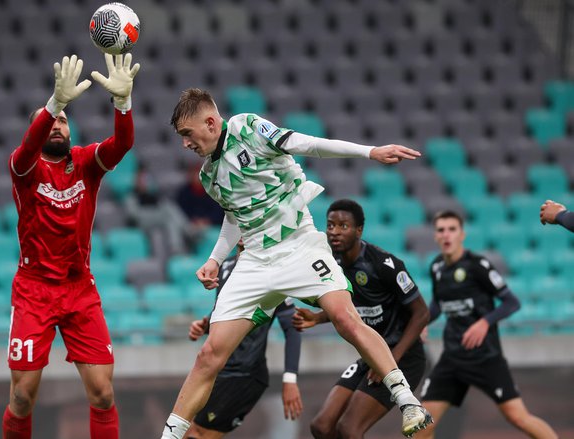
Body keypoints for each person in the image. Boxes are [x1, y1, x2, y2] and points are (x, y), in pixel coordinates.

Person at [160, 88, 432, 439]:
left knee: (345, 318)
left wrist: (369, 151)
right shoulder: (208, 176)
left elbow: (307, 143)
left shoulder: (249, 128)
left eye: (187, 134)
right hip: (256, 260)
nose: (185, 144)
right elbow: (235, 216)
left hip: (299, 245)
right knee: (210, 354)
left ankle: (407, 400)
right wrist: (215, 260)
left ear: (211, 123)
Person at [2, 53, 140, 439]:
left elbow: (123, 143)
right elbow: (27, 149)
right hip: (34, 290)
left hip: (80, 287)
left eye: (64, 120)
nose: (59, 126)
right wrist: (54, 104)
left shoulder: (85, 163)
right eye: (51, 122)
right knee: (23, 397)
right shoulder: (23, 169)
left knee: (102, 393)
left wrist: (123, 103)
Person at [293, 199, 429, 439]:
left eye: (343, 226)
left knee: (349, 429)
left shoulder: (385, 265)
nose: (334, 231)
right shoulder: (330, 264)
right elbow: (354, 308)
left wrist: (391, 363)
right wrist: (317, 318)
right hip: (370, 354)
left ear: (359, 231)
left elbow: (422, 313)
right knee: (321, 427)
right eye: (331, 225)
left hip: (402, 357)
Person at [415, 210, 557, 439]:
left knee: (518, 417)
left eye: (452, 229)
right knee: (422, 425)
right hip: (452, 359)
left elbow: (512, 302)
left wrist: (484, 322)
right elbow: (439, 305)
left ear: (462, 234)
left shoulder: (477, 265)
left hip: (485, 358)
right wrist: (421, 322)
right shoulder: (437, 267)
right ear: (435, 236)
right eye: (441, 230)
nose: (446, 235)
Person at [186, 240, 303, 438]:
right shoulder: (226, 267)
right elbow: (226, 311)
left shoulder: (273, 273)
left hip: (243, 374)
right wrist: (206, 324)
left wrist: (290, 379)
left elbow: (292, 326)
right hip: (219, 368)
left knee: (197, 434)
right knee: (187, 430)